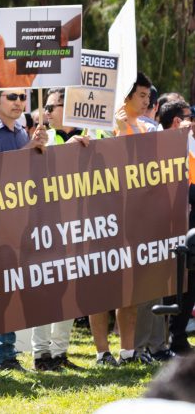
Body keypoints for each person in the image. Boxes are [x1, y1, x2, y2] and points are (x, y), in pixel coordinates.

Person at [0, 79, 47, 371]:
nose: (18, 101)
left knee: (11, 290)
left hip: (17, 223)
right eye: (12, 96)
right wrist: (31, 146)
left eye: (22, 97)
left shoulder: (20, 132)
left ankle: (6, 354)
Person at [91, 73, 154, 366]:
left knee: (131, 291)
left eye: (148, 96)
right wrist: (117, 133)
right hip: (105, 219)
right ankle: (102, 352)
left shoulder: (146, 129)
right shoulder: (102, 129)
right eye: (141, 95)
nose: (147, 101)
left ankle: (128, 351)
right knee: (102, 290)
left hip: (136, 219)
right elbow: (104, 170)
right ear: (127, 96)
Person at [30, 88, 87, 372]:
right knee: (45, 289)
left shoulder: (89, 137)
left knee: (69, 289)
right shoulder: (42, 138)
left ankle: (60, 351)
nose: (48, 112)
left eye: (53, 107)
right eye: (47, 107)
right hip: (45, 224)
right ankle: (41, 354)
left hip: (77, 224)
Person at [159, 100, 194, 356]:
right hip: (168, 225)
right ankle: (167, 338)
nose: (191, 121)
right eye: (188, 116)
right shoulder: (159, 145)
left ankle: (179, 337)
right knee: (172, 284)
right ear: (175, 121)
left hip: (190, 223)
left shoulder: (189, 144)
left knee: (190, 282)